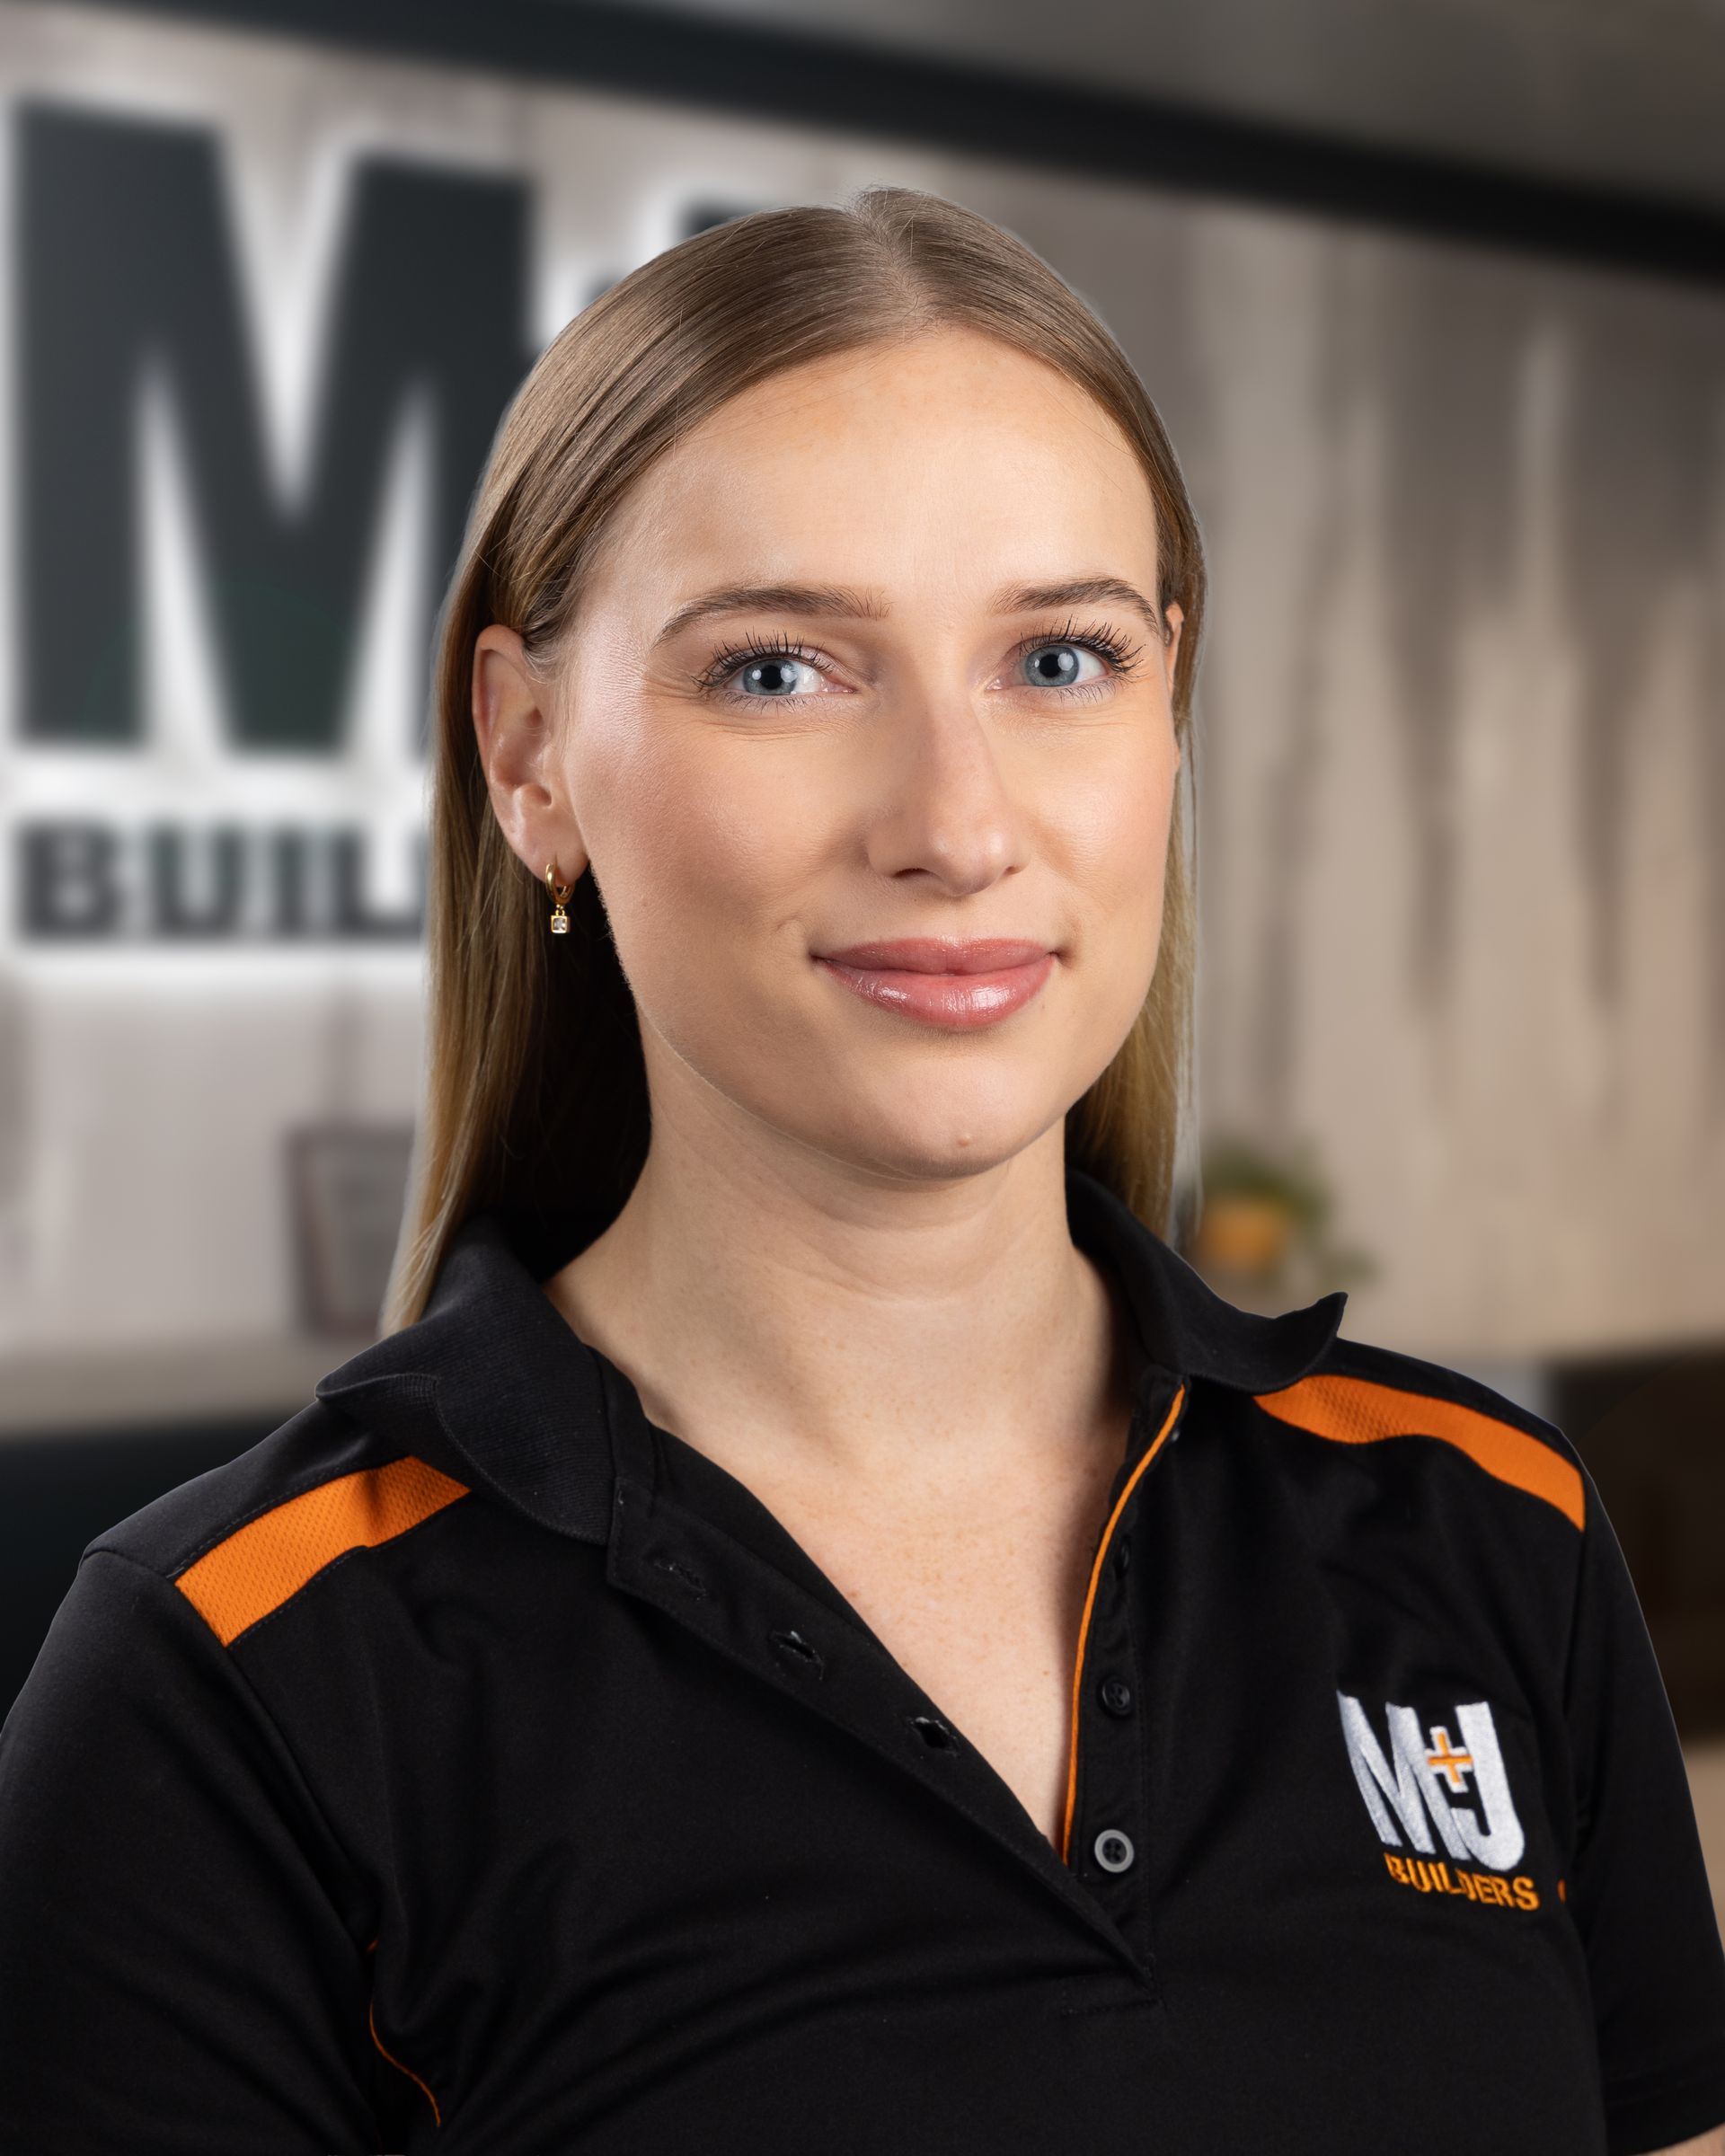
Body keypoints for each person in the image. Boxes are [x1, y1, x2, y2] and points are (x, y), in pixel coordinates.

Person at [2, 185, 1722, 2156]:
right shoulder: (234, 1679)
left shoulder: (1484, 1528)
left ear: (1170, 712)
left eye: (1058, 659)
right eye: (779, 671)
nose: (956, 825)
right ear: (529, 754)